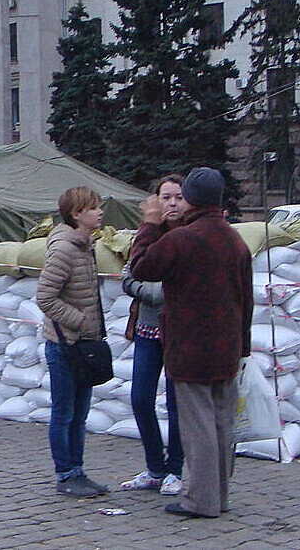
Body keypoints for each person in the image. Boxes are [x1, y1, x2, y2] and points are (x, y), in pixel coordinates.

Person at [130, 167, 252, 519]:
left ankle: (200, 500)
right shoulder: (235, 239)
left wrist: (150, 226)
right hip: (227, 348)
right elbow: (247, 299)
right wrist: (243, 346)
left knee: (197, 427)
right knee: (221, 426)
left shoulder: (182, 239)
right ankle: (220, 497)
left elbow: (140, 267)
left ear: (191, 200)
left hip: (191, 349)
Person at [35, 186, 111, 498]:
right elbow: (45, 297)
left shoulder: (86, 245)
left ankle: (78, 471)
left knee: (79, 415)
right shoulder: (64, 249)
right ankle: (65, 473)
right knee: (64, 413)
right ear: (76, 213)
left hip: (84, 345)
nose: (100, 212)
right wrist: (79, 320)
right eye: (93, 208)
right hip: (64, 346)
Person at [119, 174, 186, 496]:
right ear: (156, 201)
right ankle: (154, 466)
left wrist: (158, 292)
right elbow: (128, 277)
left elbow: (189, 286)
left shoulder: (190, 236)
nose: (172, 203)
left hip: (180, 333)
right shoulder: (148, 237)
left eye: (178, 197)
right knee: (141, 398)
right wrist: (158, 292)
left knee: (177, 403)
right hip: (148, 329)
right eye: (166, 197)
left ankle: (175, 469)